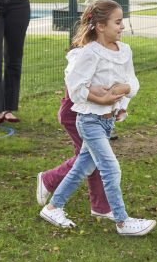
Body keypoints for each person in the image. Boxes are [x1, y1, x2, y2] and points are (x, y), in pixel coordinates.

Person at [39, 0, 156, 236]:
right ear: (101, 26)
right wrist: (101, 100)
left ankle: (53, 207)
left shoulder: (125, 50)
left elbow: (132, 81)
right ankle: (123, 222)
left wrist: (122, 97)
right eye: (118, 22)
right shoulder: (89, 53)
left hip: (107, 121)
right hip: (89, 121)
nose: (122, 26)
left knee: (81, 168)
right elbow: (75, 87)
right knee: (111, 168)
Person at [36, 88, 113, 220]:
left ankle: (101, 207)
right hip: (77, 113)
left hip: (90, 113)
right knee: (93, 156)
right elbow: (77, 85)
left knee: (91, 157)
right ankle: (49, 180)